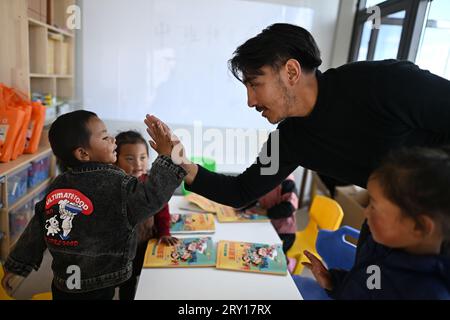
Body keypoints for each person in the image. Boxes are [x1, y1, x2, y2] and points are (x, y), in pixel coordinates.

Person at [144, 23, 450, 256]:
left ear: (291, 72)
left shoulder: (381, 83)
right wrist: (178, 158)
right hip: (390, 230)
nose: (250, 101)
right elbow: (241, 191)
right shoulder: (289, 141)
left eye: (255, 84)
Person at [1, 110, 186, 300]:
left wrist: (16, 266)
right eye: (105, 137)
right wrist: (167, 158)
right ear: (83, 153)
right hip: (99, 282)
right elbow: (151, 198)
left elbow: (39, 225)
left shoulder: (59, 184)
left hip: (64, 282)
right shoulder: (118, 184)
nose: (113, 140)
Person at [302, 147, 450, 300]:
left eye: (374, 206)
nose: (366, 213)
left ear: (419, 226)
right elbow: (368, 286)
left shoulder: (428, 293)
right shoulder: (379, 244)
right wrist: (332, 282)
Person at [114, 130, 178, 300]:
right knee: (126, 282)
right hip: (122, 250)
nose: (138, 164)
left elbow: (162, 210)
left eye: (143, 157)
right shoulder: (113, 186)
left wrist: (164, 232)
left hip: (146, 242)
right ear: (115, 159)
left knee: (148, 279)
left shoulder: (149, 184)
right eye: (129, 159)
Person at [245, 174, 298, 254]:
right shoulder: (262, 177)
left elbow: (289, 208)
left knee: (270, 256)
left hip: (284, 232)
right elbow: (254, 196)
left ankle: (289, 262)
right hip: (267, 224)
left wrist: (264, 212)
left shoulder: (287, 182)